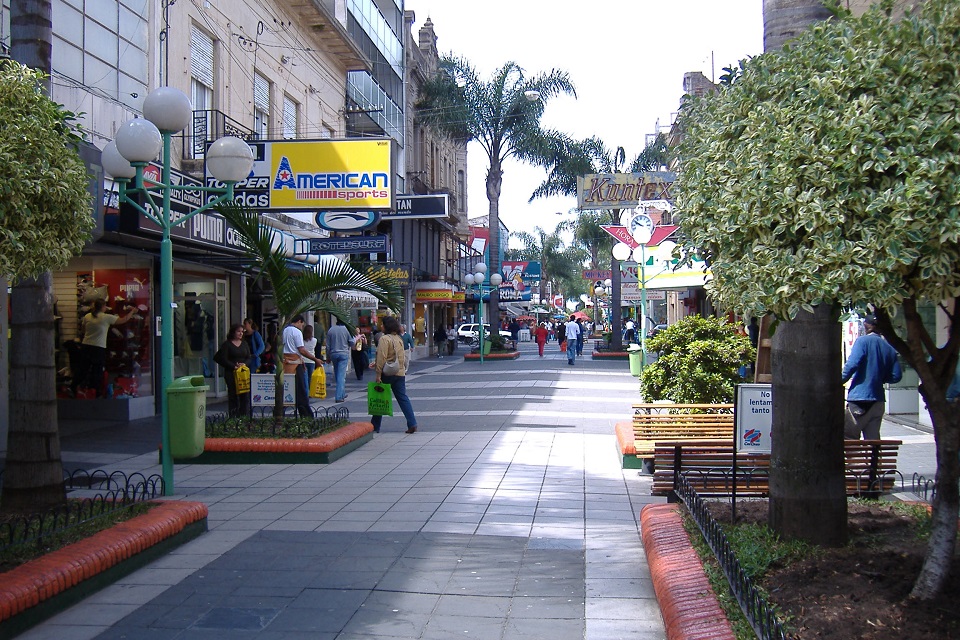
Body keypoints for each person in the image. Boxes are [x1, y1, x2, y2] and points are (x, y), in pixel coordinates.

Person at [841, 314, 903, 440]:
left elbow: (852, 365)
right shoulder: (889, 348)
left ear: (866, 326)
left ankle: (855, 460)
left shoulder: (862, 341)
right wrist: (879, 378)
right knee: (873, 441)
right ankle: (874, 460)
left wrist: (839, 380)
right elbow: (896, 376)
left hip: (859, 399)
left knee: (849, 438)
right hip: (878, 400)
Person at [79, 299, 136, 397]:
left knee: (83, 368)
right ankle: (96, 391)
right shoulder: (105, 317)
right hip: (98, 346)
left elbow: (83, 330)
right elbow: (123, 320)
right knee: (97, 370)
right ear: (103, 307)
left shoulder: (87, 316)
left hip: (86, 345)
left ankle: (77, 387)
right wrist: (132, 311)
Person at [371, 315, 418, 434]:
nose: (381, 326)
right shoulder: (399, 339)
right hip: (399, 372)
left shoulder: (384, 339)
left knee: (380, 397)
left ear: (386, 326)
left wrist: (378, 373)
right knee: (403, 398)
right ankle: (412, 422)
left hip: (387, 372)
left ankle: (375, 425)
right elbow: (401, 357)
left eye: (382, 324)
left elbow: (382, 357)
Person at [282, 315, 322, 417]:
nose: (302, 326)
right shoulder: (296, 332)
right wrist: (315, 359)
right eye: (302, 323)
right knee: (301, 391)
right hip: (295, 363)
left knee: (286, 388)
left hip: (285, 363)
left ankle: (280, 411)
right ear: (299, 321)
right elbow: (302, 350)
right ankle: (306, 414)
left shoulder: (284, 330)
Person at [214, 323, 252, 417]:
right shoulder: (227, 344)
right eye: (238, 331)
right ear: (233, 332)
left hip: (243, 373)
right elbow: (221, 358)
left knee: (245, 395)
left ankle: (244, 416)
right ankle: (233, 416)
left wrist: (244, 364)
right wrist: (233, 366)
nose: (240, 334)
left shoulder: (244, 343)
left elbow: (249, 357)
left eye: (242, 332)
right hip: (231, 373)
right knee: (233, 395)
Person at [326, 319, 352, 403]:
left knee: (337, 374)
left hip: (333, 354)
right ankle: (339, 396)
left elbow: (328, 345)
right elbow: (352, 342)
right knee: (341, 375)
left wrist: (328, 356)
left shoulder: (331, 330)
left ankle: (342, 392)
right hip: (344, 354)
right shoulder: (346, 329)